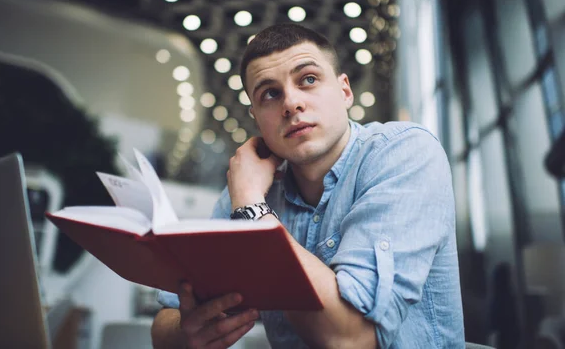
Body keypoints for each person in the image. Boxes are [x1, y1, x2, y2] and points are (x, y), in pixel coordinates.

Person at [151, 23, 465, 348]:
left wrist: (253, 211)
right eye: (270, 93)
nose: (291, 103)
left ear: (345, 91)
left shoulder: (404, 152)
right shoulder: (252, 186)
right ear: (257, 119)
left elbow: (353, 339)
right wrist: (185, 333)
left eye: (309, 80)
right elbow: (164, 324)